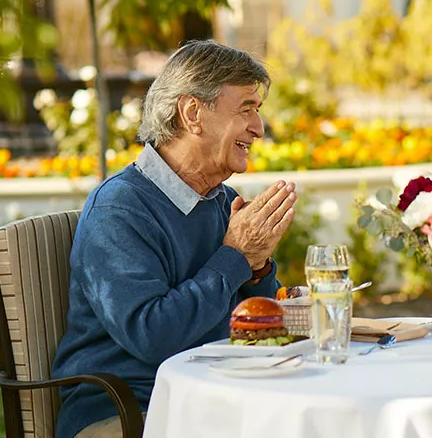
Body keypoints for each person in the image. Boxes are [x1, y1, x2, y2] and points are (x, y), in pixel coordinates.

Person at [53, 40, 298, 438]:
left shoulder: (222, 202)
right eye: (246, 109)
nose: (259, 127)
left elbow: (261, 325)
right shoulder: (119, 210)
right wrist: (234, 256)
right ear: (192, 113)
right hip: (128, 412)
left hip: (211, 399)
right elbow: (154, 336)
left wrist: (256, 269)